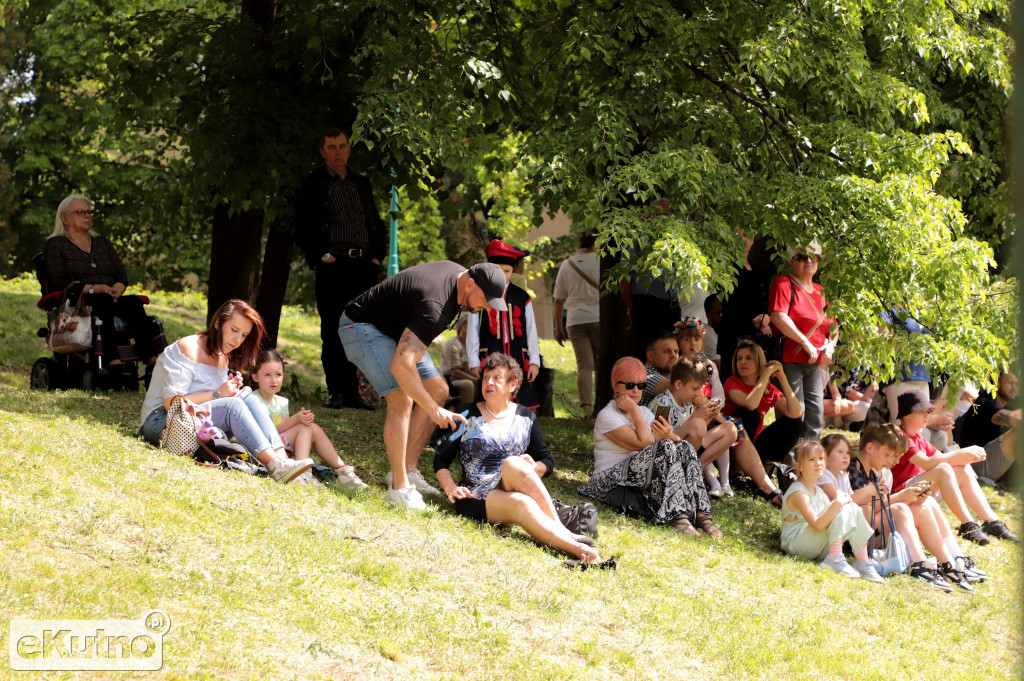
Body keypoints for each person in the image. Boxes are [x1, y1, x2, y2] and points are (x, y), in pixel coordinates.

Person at [339, 260, 509, 510]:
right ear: (470, 284)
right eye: (486, 299)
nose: (487, 307)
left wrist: (433, 402)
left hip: (395, 331)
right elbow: (401, 366)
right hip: (361, 326)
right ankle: (398, 489)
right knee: (401, 398)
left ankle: (407, 469)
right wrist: (433, 410)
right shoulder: (436, 305)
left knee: (438, 389)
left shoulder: (457, 279)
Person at [433, 353, 599, 563]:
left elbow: (547, 462)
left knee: (513, 463)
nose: (489, 382)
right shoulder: (467, 414)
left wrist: (534, 467)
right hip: (477, 494)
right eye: (485, 377)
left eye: (496, 378)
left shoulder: (525, 417)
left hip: (512, 481)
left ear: (512, 385)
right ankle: (575, 548)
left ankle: (563, 531)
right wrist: (449, 487)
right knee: (522, 502)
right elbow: (440, 459)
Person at [139, 299, 313, 483]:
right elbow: (171, 403)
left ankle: (283, 462)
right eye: (234, 330)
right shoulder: (188, 347)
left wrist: (230, 390)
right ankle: (274, 465)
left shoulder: (223, 355)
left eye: (244, 335)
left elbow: (213, 401)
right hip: (161, 422)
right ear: (218, 323)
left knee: (248, 397)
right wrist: (218, 394)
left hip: (197, 423)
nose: (238, 340)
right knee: (233, 405)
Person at [293, 128, 388, 411]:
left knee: (360, 329)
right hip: (333, 266)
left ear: (349, 149)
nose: (338, 151)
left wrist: (377, 258)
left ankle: (356, 392)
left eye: (342, 146)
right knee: (333, 330)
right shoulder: (313, 184)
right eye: (331, 146)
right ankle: (337, 391)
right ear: (322, 151)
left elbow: (375, 222)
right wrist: (321, 255)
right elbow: (302, 225)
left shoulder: (361, 183)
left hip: (363, 267)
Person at [578, 357, 722, 538]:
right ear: (616, 385)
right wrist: (635, 410)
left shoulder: (645, 413)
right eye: (630, 385)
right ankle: (678, 515)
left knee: (682, 446)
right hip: (608, 481)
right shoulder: (607, 416)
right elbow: (646, 443)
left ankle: (702, 513)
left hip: (636, 478)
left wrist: (668, 434)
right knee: (667, 447)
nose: (635, 391)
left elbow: (664, 444)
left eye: (641, 386)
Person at [844, 425, 983, 592]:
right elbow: (865, 511)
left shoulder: (873, 473)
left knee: (926, 504)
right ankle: (920, 564)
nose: (891, 461)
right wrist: (901, 497)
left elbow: (875, 508)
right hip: (861, 537)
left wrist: (910, 497)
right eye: (887, 455)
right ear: (870, 447)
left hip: (874, 530)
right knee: (901, 509)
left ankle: (951, 562)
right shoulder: (853, 470)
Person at [43, 194, 166, 367]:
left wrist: (117, 287)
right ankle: (111, 358)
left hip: (109, 296)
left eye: (88, 212)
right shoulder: (55, 245)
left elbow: (121, 275)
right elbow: (57, 282)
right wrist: (94, 289)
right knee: (102, 302)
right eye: (80, 212)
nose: (87, 215)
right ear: (65, 219)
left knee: (134, 304)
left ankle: (151, 357)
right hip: (79, 300)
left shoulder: (102, 243)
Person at [892, 389, 1019, 544]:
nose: (927, 416)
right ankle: (968, 525)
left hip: (919, 490)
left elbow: (939, 458)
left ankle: (991, 522)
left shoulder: (917, 436)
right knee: (944, 468)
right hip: (902, 495)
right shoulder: (900, 435)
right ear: (907, 414)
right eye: (922, 412)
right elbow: (927, 462)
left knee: (961, 469)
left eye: (928, 412)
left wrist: (964, 456)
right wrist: (963, 453)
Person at [250, 349, 368, 489]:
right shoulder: (254, 400)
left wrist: (302, 419)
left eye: (278, 375)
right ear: (255, 376)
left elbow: (286, 431)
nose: (274, 380)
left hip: (282, 447)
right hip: (266, 448)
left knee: (312, 428)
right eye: (267, 375)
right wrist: (296, 420)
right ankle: (302, 473)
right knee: (304, 427)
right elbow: (267, 432)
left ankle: (343, 471)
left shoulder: (281, 401)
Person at [780, 440, 881, 582]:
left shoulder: (819, 492)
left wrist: (842, 503)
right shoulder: (798, 492)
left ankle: (862, 560)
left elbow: (832, 519)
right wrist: (838, 503)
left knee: (850, 506)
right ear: (799, 465)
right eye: (811, 460)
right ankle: (835, 557)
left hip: (816, 545)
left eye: (821, 459)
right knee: (843, 504)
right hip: (797, 544)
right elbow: (818, 525)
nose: (818, 463)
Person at [769, 240, 838, 440]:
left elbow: (833, 326)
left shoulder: (820, 290)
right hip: (789, 360)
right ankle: (789, 464)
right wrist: (805, 342)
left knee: (816, 416)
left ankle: (811, 463)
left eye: (813, 256)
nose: (808, 261)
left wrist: (831, 346)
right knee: (794, 414)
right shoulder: (784, 283)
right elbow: (778, 317)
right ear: (792, 261)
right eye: (801, 257)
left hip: (815, 363)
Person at [466, 240, 541, 410]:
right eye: (498, 270)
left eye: (507, 271)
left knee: (524, 404)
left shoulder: (522, 297)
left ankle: (524, 431)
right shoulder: (480, 295)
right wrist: (474, 362)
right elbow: (473, 330)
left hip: (519, 358)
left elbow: (531, 330)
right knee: (491, 402)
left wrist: (534, 361)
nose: (503, 275)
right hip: (490, 355)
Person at [722, 339, 803, 468]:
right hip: (729, 446)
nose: (742, 362)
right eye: (739, 358)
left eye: (748, 358)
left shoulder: (769, 389)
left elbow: (795, 413)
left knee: (795, 423)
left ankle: (766, 467)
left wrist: (782, 378)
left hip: (754, 445)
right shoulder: (732, 382)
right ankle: (735, 469)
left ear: (759, 362)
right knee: (752, 413)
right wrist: (766, 374)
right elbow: (751, 405)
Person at [553, 231, 600, 417]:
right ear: (596, 243)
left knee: (584, 366)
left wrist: (558, 327)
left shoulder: (567, 264)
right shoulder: (600, 260)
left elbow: (558, 301)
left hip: (574, 321)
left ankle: (586, 408)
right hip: (597, 318)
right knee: (600, 364)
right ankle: (603, 405)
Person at [957, 371, 1019, 485]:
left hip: (991, 464)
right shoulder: (985, 401)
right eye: (1010, 383)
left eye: (1017, 384)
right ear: (997, 384)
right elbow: (1000, 417)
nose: (1014, 388)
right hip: (974, 465)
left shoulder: (1010, 406)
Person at [440, 313, 477, 407]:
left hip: (471, 377)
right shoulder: (453, 344)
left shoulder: (474, 345)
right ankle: (465, 415)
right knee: (468, 385)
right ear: (461, 327)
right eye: (470, 325)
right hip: (451, 381)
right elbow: (454, 372)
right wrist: (475, 380)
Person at [639, 331, 680, 406]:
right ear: (651, 355)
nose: (673, 355)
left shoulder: (672, 375)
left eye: (676, 351)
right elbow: (680, 389)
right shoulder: (642, 375)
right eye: (667, 351)